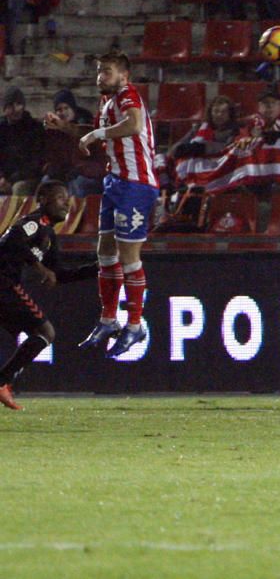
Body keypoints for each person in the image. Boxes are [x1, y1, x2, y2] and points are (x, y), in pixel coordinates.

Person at [45, 51, 159, 357]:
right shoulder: (107, 102)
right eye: (98, 72)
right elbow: (94, 137)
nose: (100, 77)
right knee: (105, 253)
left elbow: (134, 125)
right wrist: (64, 128)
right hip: (115, 183)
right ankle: (109, 319)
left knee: (129, 257)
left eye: (106, 72)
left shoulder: (128, 95)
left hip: (137, 184)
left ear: (124, 76)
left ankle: (135, 325)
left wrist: (98, 132)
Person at [0, 181, 97, 411]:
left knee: (39, 333)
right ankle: (3, 380)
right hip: (3, 283)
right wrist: (40, 269)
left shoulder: (49, 236)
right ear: (43, 199)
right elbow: (13, 241)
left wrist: (99, 269)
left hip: (5, 285)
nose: (67, 203)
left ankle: (4, 380)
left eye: (68, 198)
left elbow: (59, 274)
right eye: (61, 198)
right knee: (44, 331)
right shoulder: (33, 223)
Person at [41, 89, 103, 198]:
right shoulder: (54, 133)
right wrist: (53, 170)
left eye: (66, 108)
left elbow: (99, 160)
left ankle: (74, 214)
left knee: (77, 184)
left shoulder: (87, 127)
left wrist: (81, 169)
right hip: (65, 174)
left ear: (73, 109)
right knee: (46, 182)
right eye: (59, 110)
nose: (63, 112)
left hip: (88, 175)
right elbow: (51, 157)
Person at [0, 86, 46, 196]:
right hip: (4, 178)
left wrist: (10, 181)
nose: (15, 109)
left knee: (18, 188)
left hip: (27, 178)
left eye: (18, 104)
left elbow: (35, 162)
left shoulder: (34, 128)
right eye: (11, 105)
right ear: (5, 109)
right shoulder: (2, 129)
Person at [169, 95, 242, 159]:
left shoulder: (234, 130)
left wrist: (203, 148)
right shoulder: (199, 128)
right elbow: (179, 145)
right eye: (216, 111)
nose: (219, 115)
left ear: (230, 114)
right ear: (210, 113)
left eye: (224, 112)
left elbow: (229, 148)